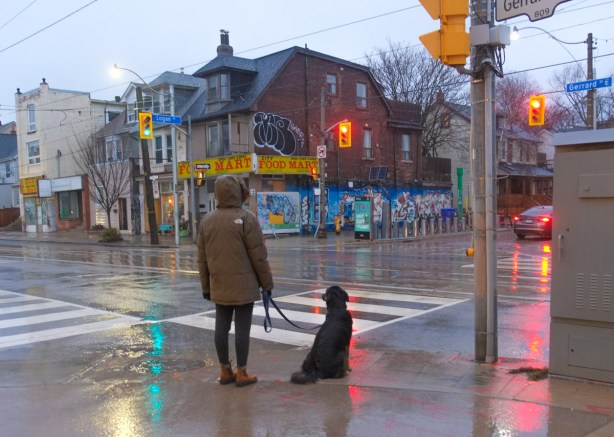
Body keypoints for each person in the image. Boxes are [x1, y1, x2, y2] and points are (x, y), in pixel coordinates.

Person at [197, 175, 274, 387]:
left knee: (220, 327)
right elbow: (258, 256)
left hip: (218, 284)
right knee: (242, 328)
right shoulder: (246, 219)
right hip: (244, 286)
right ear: (239, 192)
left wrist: (206, 287)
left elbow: (202, 260)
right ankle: (242, 372)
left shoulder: (207, 221)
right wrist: (267, 284)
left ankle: (224, 370)